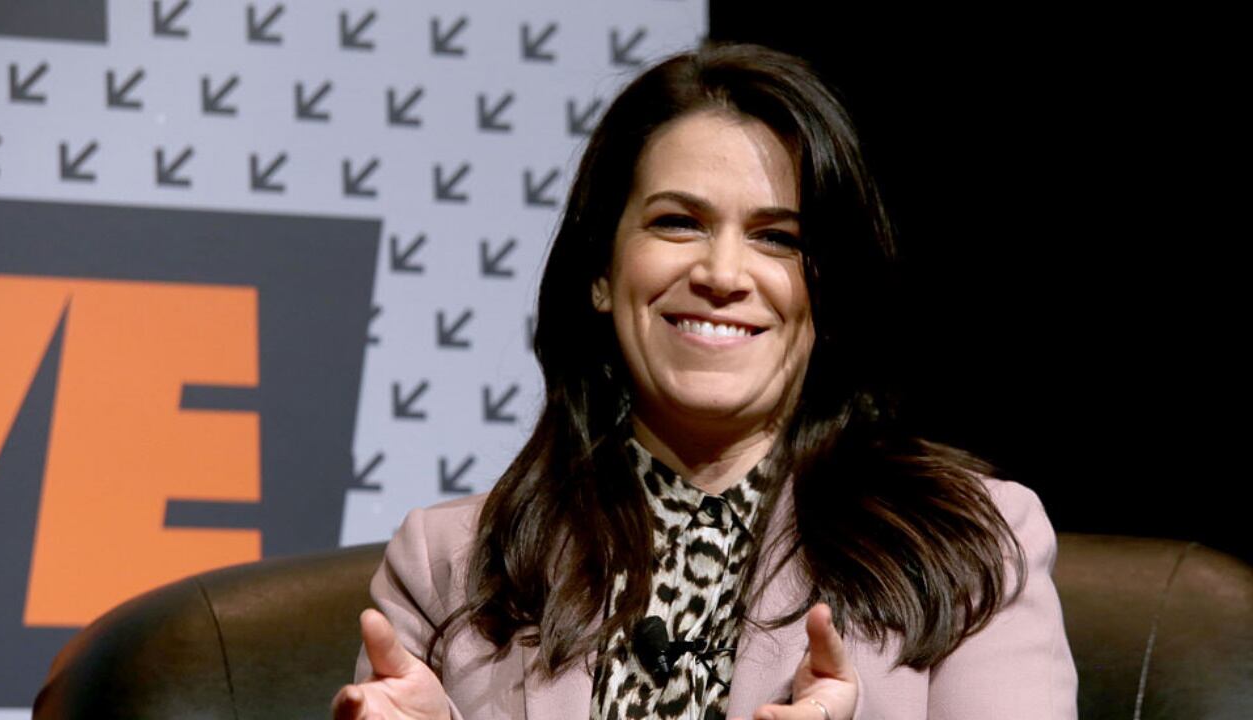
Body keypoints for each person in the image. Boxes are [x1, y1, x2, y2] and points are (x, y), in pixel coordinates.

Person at [332, 43, 1077, 720]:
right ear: (601, 270)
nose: (722, 275)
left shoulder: (970, 546)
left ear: (829, 292)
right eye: (677, 223)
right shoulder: (450, 565)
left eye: (777, 238)